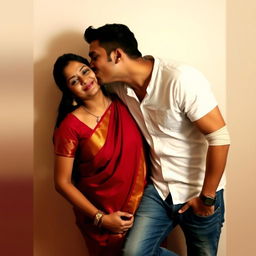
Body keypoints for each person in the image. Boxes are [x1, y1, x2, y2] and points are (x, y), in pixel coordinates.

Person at [83, 24, 231, 256]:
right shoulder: (120, 88)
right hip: (159, 191)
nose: (90, 65)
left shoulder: (180, 79)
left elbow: (220, 138)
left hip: (198, 192)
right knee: (133, 254)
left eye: (94, 56)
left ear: (117, 55)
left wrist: (208, 197)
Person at [52, 53, 147, 256]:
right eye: (74, 81)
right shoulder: (70, 126)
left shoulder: (125, 103)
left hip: (144, 211)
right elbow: (62, 182)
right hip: (102, 219)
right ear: (68, 90)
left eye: (85, 71)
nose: (85, 81)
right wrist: (101, 219)